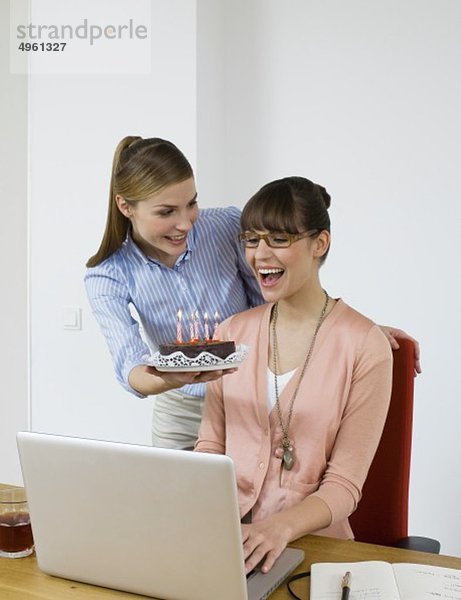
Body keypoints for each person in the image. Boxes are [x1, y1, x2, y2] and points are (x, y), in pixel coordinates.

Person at [85, 136, 419, 450]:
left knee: (256, 500)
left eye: (191, 203)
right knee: (176, 504)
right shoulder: (107, 274)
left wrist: (354, 332)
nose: (186, 223)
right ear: (126, 207)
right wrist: (175, 377)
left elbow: (283, 293)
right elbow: (131, 366)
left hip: (250, 391)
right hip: (182, 407)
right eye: (166, 212)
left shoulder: (226, 227)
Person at [195, 176, 394, 575]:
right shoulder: (230, 333)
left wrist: (277, 528)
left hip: (314, 552)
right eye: (251, 240)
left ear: (320, 243)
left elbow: (344, 486)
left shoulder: (364, 346)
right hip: (227, 543)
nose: (259, 254)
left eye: (279, 240)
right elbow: (210, 448)